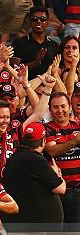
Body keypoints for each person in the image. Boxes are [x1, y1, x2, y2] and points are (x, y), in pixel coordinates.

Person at [2, 122, 66, 227]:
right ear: (43, 142)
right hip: (36, 228)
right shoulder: (35, 159)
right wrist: (56, 174)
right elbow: (60, 188)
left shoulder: (16, 156)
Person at [44, 92, 80, 224]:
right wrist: (74, 142)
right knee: (58, 231)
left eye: (63, 106)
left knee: (74, 234)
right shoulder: (47, 128)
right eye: (55, 107)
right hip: (57, 191)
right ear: (50, 109)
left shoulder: (78, 127)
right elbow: (52, 151)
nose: (59, 110)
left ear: (70, 107)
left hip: (77, 189)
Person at [12, 6, 59, 79]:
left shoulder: (54, 45)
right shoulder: (19, 43)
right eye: (34, 19)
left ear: (47, 22)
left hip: (49, 85)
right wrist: (35, 62)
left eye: (43, 19)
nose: (39, 21)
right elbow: (14, 70)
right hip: (26, 85)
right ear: (30, 22)